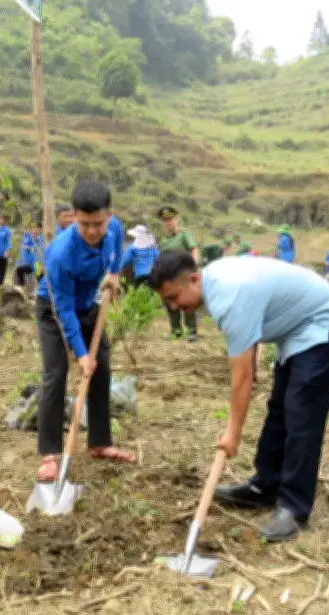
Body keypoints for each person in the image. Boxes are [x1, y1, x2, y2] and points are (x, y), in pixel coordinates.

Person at [147, 251, 329, 541]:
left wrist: (232, 434)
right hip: (297, 331)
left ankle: (294, 507)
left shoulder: (230, 297)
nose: (174, 307)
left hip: (327, 323)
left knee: (302, 413)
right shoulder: (214, 282)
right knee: (280, 409)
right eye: (167, 302)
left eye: (174, 297)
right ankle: (265, 486)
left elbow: (244, 376)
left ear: (194, 279)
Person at [35, 181, 135, 481]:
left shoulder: (114, 227)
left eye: (98, 224)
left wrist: (114, 274)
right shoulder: (61, 254)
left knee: (102, 367)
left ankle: (100, 443)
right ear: (74, 217)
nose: (92, 231)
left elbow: (117, 245)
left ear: (109, 216)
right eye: (84, 224)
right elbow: (63, 309)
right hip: (54, 308)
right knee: (56, 372)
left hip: (88, 304)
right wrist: (80, 354)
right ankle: (50, 454)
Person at [158, 206, 199, 342]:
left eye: (170, 219)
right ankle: (176, 331)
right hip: (169, 276)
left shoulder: (184, 235)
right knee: (170, 303)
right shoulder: (164, 240)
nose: (168, 222)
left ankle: (191, 331)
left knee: (187, 302)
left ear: (176, 219)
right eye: (165, 220)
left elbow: (194, 249)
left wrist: (193, 266)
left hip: (183, 275)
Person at [14, 222, 43, 289]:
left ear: (41, 229)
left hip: (37, 263)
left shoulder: (42, 238)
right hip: (26, 262)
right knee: (19, 271)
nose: (35, 230)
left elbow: (41, 248)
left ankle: (39, 292)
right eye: (34, 228)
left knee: (40, 277)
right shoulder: (27, 236)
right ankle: (21, 289)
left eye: (37, 228)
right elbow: (24, 246)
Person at [0, 215, 13, 286]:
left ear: (4, 221)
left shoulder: (7, 230)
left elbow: (9, 242)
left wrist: (7, 251)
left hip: (4, 254)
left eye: (2, 219)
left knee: (2, 271)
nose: (0, 221)